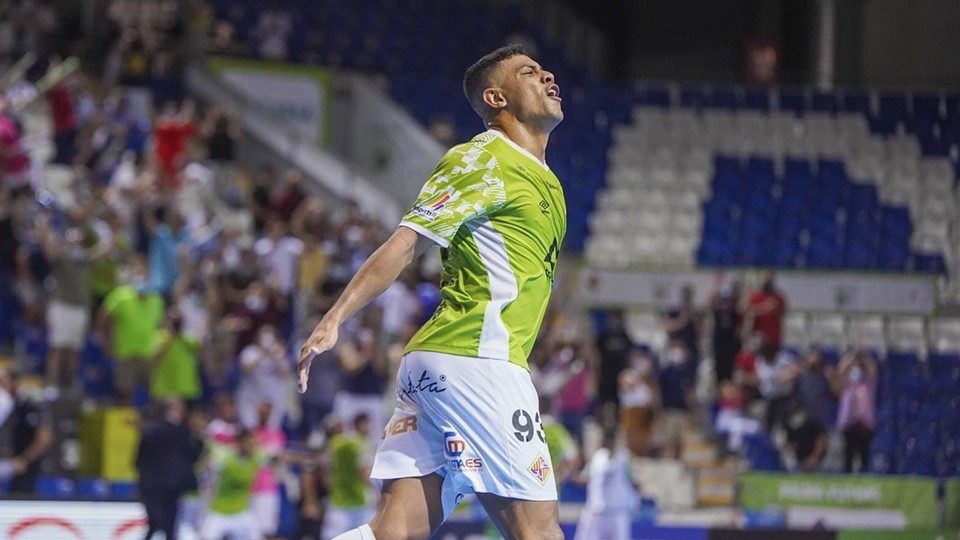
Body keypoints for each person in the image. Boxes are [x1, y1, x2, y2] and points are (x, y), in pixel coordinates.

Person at [298, 44, 566, 540]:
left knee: (392, 531)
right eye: (529, 72)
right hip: (478, 360)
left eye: (545, 70)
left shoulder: (548, 182)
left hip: (442, 365)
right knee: (539, 528)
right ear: (496, 98)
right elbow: (406, 244)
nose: (548, 76)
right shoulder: (483, 158)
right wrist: (335, 317)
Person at [97, 257, 165, 405]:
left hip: (148, 354)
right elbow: (103, 318)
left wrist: (159, 347)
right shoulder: (121, 295)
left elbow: (159, 327)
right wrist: (105, 341)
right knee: (124, 392)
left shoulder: (156, 300)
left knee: (154, 392)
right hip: (125, 352)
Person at [136, 398, 202, 540]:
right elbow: (192, 456)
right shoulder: (181, 432)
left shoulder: (150, 430)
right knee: (165, 525)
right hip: (169, 486)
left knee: (158, 524)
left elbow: (137, 461)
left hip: (153, 485)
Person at [202, 429, 268, 540]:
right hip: (220, 511)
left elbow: (279, 456)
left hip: (241, 512)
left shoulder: (256, 457)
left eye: (253, 444)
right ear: (241, 443)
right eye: (249, 443)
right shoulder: (227, 460)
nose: (252, 447)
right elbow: (209, 461)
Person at [573, 429, 638, 540]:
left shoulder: (626, 458)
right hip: (596, 511)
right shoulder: (597, 457)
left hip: (617, 512)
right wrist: (571, 472)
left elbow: (634, 481)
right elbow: (584, 479)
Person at [0, 367, 53, 494]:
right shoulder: (8, 404)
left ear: (13, 382)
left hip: (28, 468)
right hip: (8, 465)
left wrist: (25, 459)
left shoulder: (29, 405)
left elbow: (44, 436)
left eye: (2, 382)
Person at [323, 414, 375, 540]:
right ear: (359, 425)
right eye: (366, 425)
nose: (369, 428)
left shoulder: (336, 442)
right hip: (359, 499)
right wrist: (375, 490)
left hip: (339, 499)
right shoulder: (361, 444)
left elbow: (325, 463)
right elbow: (363, 469)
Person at [834, 348, 877, 473]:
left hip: (865, 423)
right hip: (849, 422)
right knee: (848, 456)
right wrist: (852, 356)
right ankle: (847, 481)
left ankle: (864, 481)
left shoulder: (868, 384)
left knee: (864, 456)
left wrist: (862, 356)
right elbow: (840, 370)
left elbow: (872, 369)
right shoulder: (847, 384)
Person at [595, 310, 634, 425]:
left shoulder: (624, 335)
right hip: (606, 373)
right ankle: (600, 424)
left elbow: (630, 353)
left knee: (619, 402)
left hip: (620, 375)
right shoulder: (604, 335)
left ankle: (618, 423)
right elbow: (596, 352)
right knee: (603, 400)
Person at [618, 347, 659, 457]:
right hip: (631, 410)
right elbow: (627, 385)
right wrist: (642, 376)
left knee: (643, 437)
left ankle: (642, 455)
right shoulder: (627, 374)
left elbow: (653, 392)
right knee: (632, 436)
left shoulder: (649, 378)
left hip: (644, 410)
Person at [709, 278, 742, 385]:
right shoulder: (717, 311)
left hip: (731, 344)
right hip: (719, 344)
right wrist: (718, 284)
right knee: (719, 371)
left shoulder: (735, 311)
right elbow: (711, 300)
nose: (726, 302)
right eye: (724, 299)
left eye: (728, 299)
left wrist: (736, 289)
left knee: (731, 371)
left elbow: (742, 302)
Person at [746, 271, 787, 350]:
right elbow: (747, 311)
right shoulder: (755, 296)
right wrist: (765, 308)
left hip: (773, 337)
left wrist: (775, 309)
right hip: (758, 337)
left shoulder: (778, 297)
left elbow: (783, 313)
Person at [784, 402, 827, 473]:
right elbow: (790, 443)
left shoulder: (813, 424)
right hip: (800, 460)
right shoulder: (791, 427)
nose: (794, 416)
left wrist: (813, 458)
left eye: (796, 413)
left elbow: (821, 441)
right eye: (792, 413)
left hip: (816, 461)